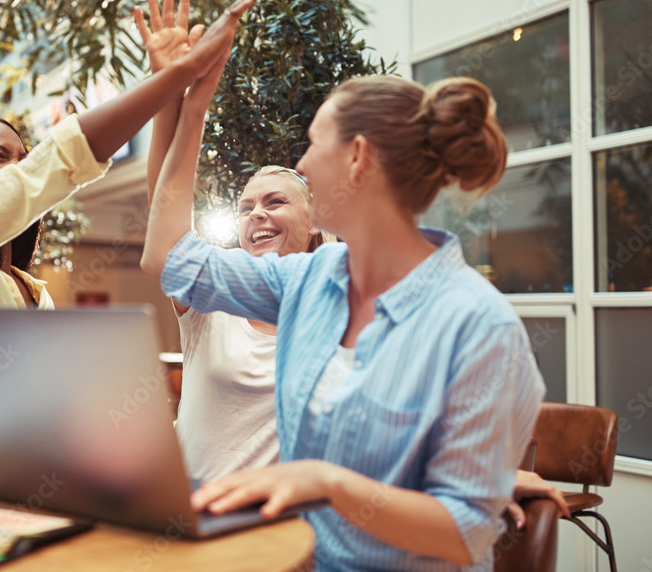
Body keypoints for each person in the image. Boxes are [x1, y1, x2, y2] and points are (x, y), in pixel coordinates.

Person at [142, 68, 549, 569]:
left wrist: (325, 483)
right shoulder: (308, 280)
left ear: (357, 157)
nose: (303, 163)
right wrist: (192, 103)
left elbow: (465, 532)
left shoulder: (480, 327)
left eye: (314, 143)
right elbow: (167, 260)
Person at [0, 0, 261, 461]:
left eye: (21, 157)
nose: (15, 168)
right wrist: (174, 80)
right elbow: (48, 169)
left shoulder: (31, 292)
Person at [135, 0, 328, 480]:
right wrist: (170, 89)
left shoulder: (339, 298)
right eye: (245, 208)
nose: (256, 214)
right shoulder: (215, 296)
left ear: (316, 224)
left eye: (275, 202)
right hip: (191, 520)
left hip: (281, 535)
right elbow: (164, 211)